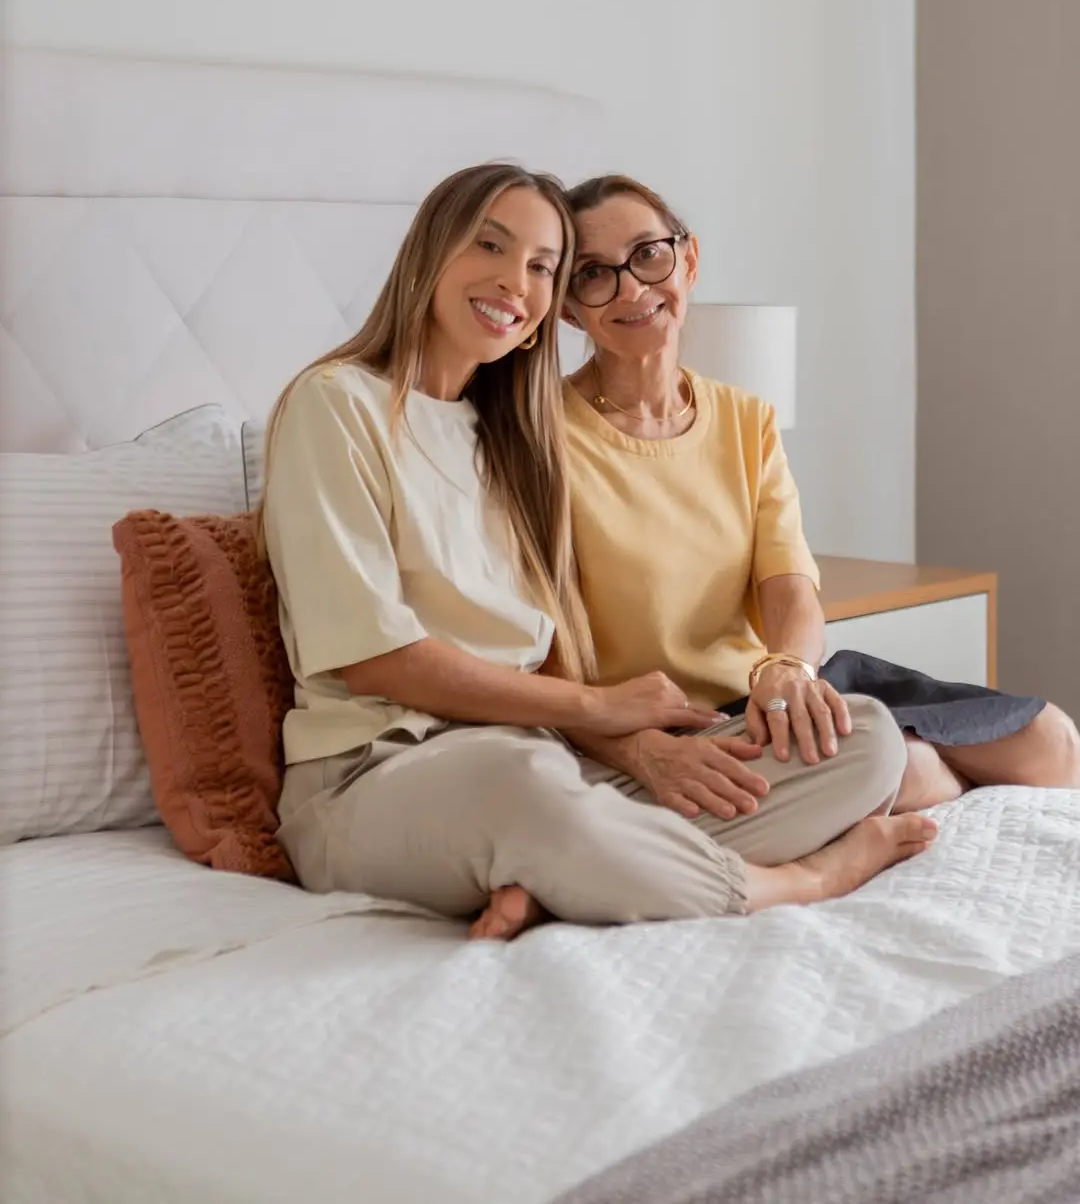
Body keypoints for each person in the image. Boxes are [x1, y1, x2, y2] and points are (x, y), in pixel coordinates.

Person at [262, 162, 934, 946]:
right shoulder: (337, 404)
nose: (515, 282)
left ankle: (566, 882)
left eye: (542, 267)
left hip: (542, 765)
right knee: (525, 787)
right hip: (374, 773)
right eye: (490, 245)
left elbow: (550, 648)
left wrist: (657, 736)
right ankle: (798, 881)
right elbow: (378, 662)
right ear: (431, 251)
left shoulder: (510, 438)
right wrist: (598, 708)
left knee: (865, 741)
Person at [556, 172, 1080, 829]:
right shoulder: (543, 439)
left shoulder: (745, 418)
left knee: (1054, 744)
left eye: (648, 254)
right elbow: (548, 664)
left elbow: (790, 587)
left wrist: (789, 670)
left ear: (687, 260)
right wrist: (632, 746)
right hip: (680, 721)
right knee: (905, 765)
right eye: (594, 274)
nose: (632, 287)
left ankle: (899, 785)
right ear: (568, 309)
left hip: (775, 686)